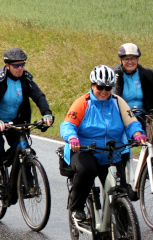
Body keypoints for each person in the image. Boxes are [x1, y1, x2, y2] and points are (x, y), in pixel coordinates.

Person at [61, 65, 146, 222]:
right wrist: (72, 138)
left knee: (120, 189)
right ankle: (77, 207)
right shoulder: (83, 102)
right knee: (87, 171)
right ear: (93, 85)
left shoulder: (118, 102)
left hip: (112, 152)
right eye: (100, 86)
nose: (104, 91)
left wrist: (137, 133)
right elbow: (68, 124)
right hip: (85, 150)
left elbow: (131, 122)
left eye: (108, 87)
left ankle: (124, 227)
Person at [0, 48, 54, 202]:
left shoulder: (26, 78)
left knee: (25, 149)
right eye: (16, 65)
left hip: (14, 121)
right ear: (7, 65)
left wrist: (47, 113)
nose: (20, 68)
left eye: (22, 65)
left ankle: (28, 184)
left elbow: (39, 96)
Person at [113, 43, 153, 126]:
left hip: (147, 116)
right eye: (126, 59)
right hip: (122, 117)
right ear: (121, 60)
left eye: (133, 58)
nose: (130, 62)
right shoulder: (114, 74)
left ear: (138, 59)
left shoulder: (148, 74)